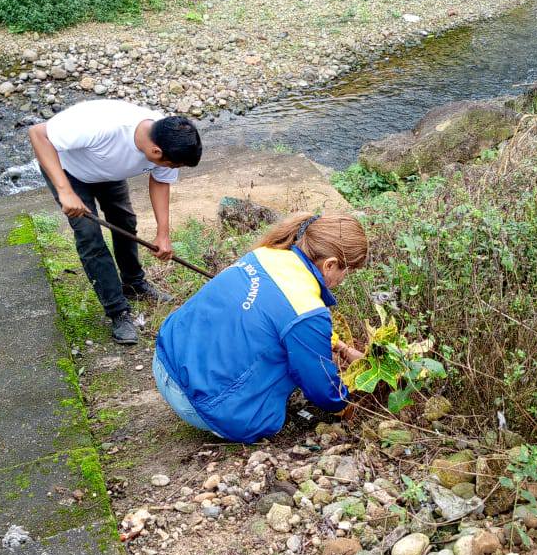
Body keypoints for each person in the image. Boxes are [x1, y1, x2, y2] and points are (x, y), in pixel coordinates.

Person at [153, 212, 368, 443]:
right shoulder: (306, 309)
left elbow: (284, 316)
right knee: (293, 366)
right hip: (201, 404)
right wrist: (350, 402)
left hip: (165, 360)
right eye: (348, 271)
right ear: (330, 265)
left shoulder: (267, 254)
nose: (344, 279)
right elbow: (322, 389)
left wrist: (342, 348)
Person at [28, 99, 203, 344]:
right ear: (155, 152)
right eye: (172, 164)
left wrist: (163, 234)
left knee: (124, 221)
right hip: (69, 170)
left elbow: (161, 181)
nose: (172, 168)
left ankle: (133, 283)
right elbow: (38, 133)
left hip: (107, 171)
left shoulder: (167, 140)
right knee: (89, 235)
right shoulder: (102, 127)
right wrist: (65, 190)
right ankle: (117, 311)